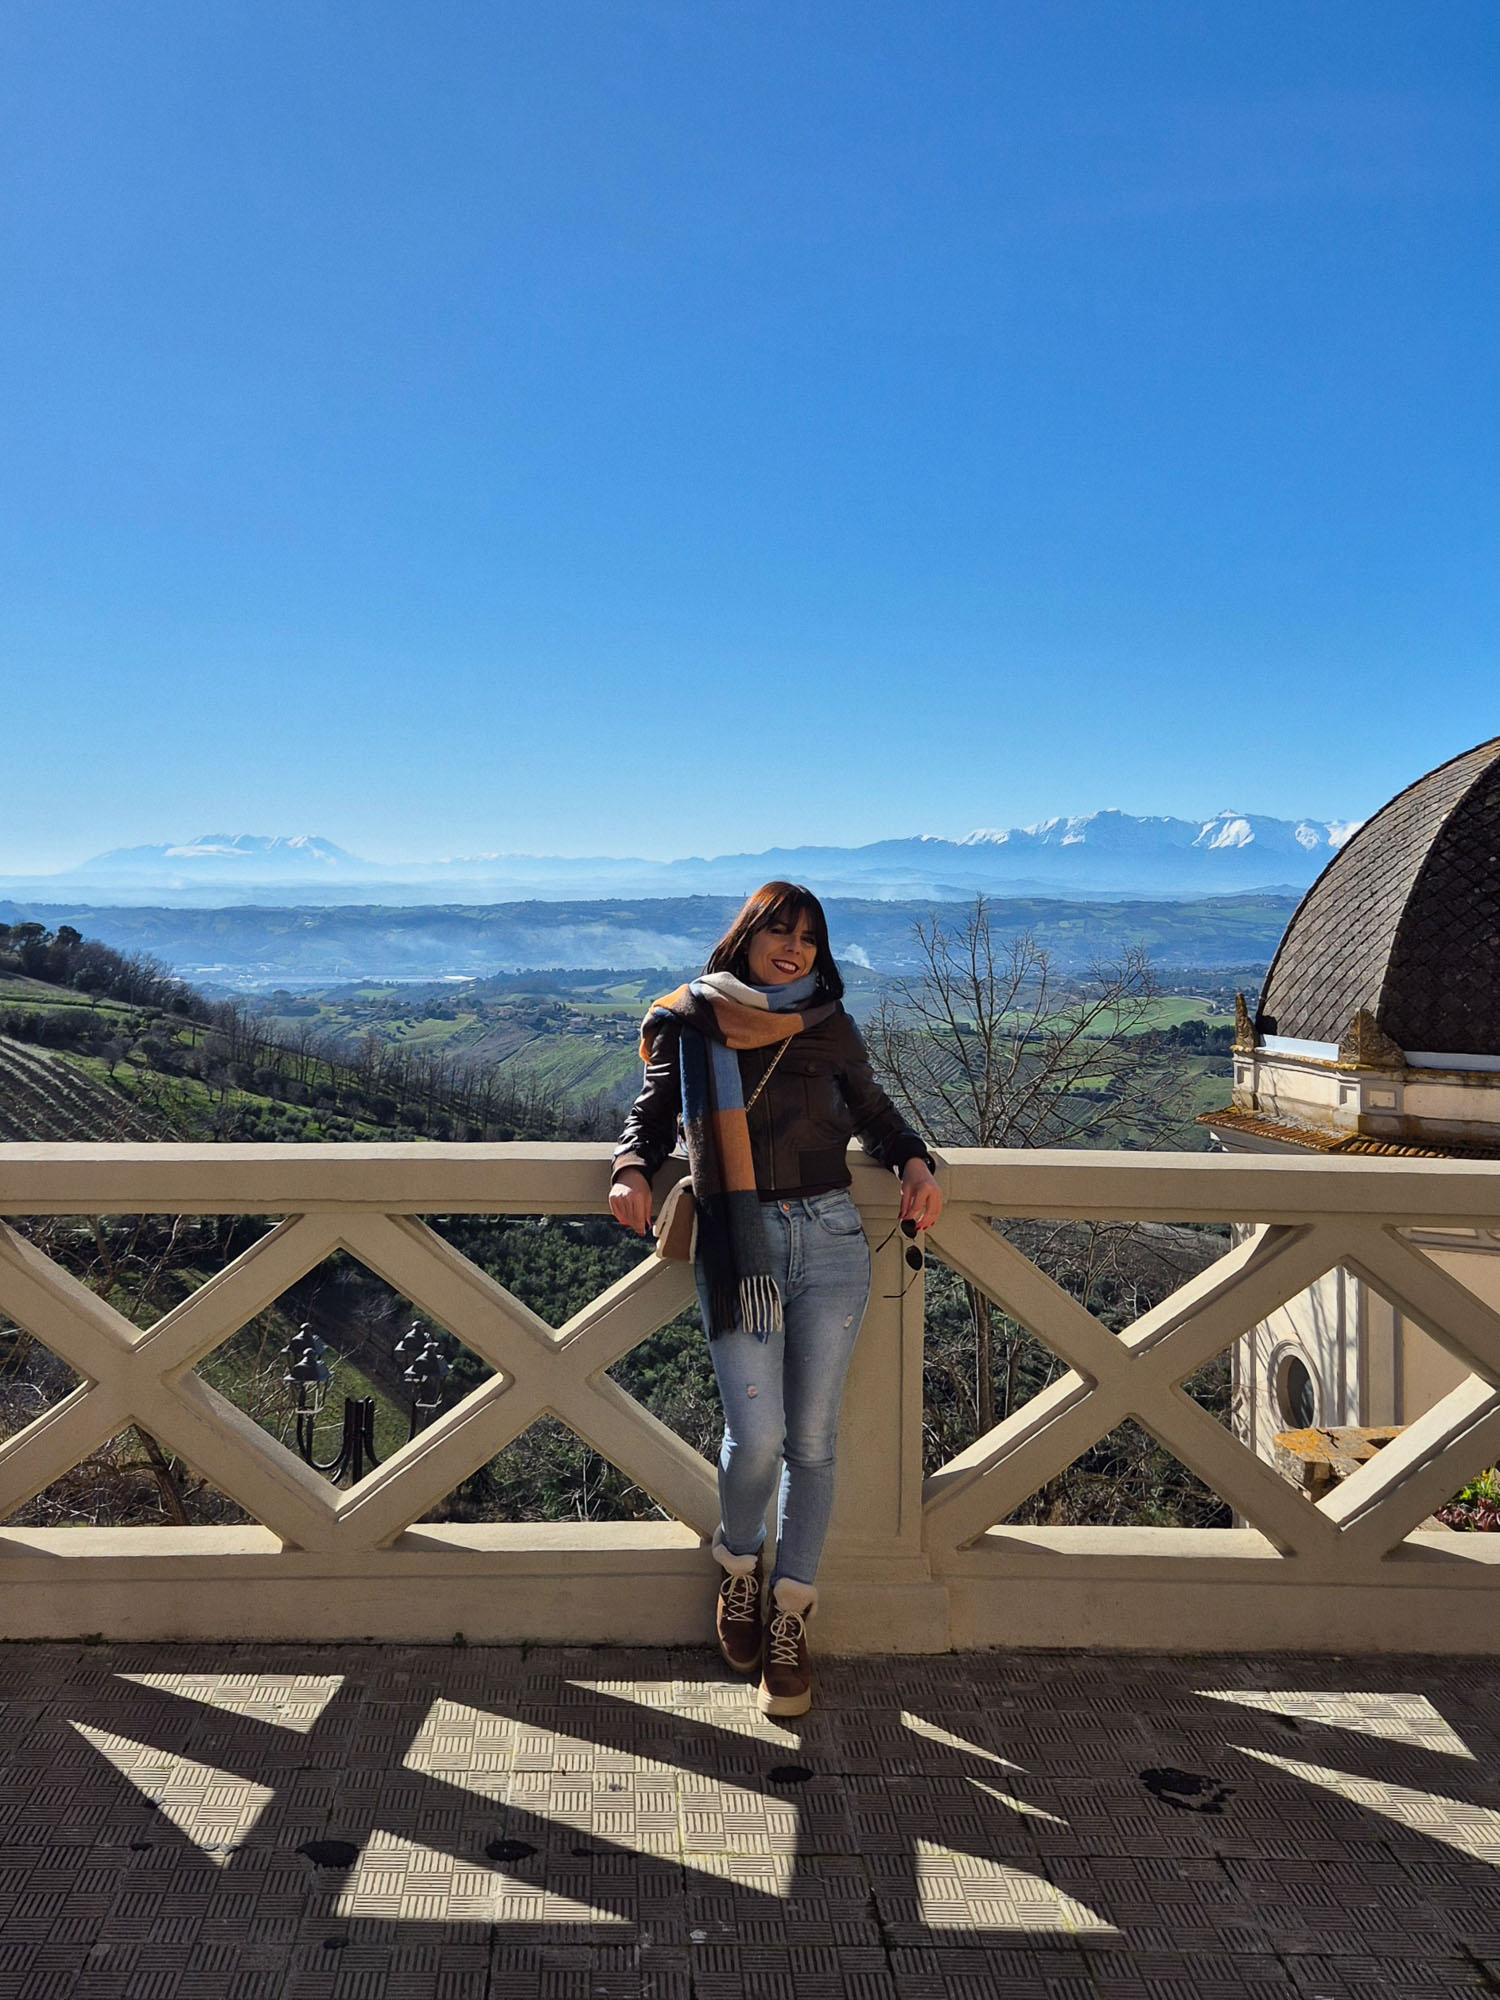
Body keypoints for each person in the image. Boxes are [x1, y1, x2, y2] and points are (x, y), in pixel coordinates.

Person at [608, 883, 941, 1716]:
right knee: (757, 1438)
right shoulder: (692, 1022)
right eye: (779, 932)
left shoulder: (829, 1025)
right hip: (736, 1243)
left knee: (815, 1443)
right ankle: (739, 1566)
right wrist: (627, 1170)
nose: (793, 948)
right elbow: (653, 1114)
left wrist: (915, 1162)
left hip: (830, 1240)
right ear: (748, 938)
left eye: (808, 937)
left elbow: (875, 1112)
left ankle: (790, 1614)